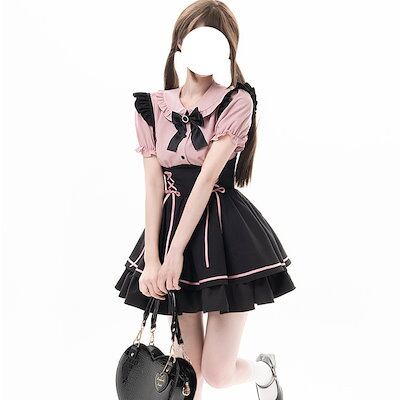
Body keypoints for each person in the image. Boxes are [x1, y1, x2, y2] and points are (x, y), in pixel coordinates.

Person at [115, 1, 295, 399]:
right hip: (171, 229)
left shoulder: (236, 101)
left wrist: (175, 254)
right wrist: (154, 258)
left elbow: (207, 178)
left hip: (225, 235)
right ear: (180, 42)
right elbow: (153, 185)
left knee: (217, 372)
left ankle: (263, 370)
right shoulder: (151, 107)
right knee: (189, 374)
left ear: (227, 49)